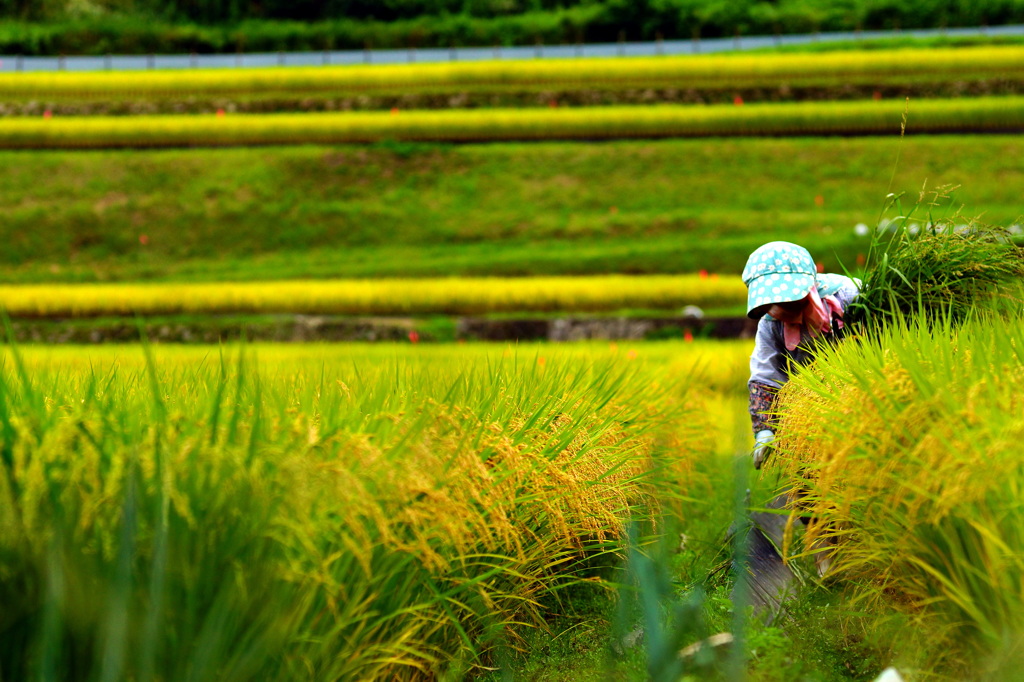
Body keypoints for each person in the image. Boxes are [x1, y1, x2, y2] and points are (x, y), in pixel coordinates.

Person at [742, 241, 860, 469]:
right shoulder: (770, 325)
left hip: (859, 400)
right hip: (809, 410)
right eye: (773, 302)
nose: (781, 307)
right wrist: (764, 429)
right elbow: (765, 377)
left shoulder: (849, 296)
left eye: (788, 299)